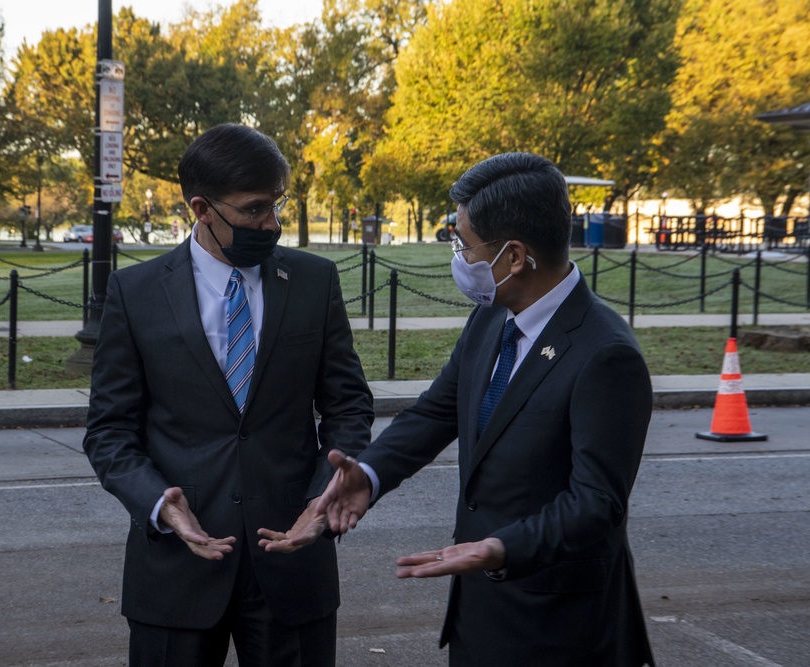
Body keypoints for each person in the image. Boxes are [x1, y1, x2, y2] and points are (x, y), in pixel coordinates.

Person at [314, 152, 655, 665]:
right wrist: (369, 473)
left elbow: (596, 503)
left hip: (558, 627)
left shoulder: (606, 355)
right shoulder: (491, 319)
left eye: (465, 244)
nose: (459, 257)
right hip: (478, 611)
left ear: (515, 256)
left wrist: (500, 548)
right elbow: (436, 413)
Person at [83, 123, 374, 667]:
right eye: (254, 209)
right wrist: (158, 503)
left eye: (277, 205)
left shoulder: (314, 280)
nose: (272, 223)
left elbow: (348, 405)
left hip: (293, 560)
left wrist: (325, 493)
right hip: (176, 569)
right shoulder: (137, 292)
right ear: (202, 209)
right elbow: (109, 432)